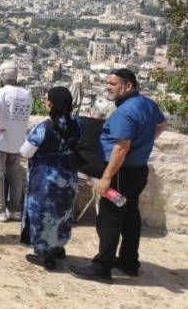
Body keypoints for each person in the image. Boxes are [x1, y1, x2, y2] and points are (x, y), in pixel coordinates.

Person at [70, 69, 168, 283]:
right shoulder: (148, 105)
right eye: (107, 83)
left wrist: (106, 179)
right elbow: (162, 125)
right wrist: (143, 144)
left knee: (109, 219)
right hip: (138, 170)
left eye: (113, 84)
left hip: (120, 172)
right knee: (131, 217)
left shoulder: (125, 112)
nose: (108, 87)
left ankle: (102, 267)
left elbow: (121, 148)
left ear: (128, 86)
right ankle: (129, 262)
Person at [20, 86, 81, 271]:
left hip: (46, 180)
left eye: (48, 100)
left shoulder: (44, 127)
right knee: (63, 213)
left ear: (52, 104)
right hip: (69, 178)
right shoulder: (77, 124)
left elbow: (25, 152)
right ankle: (59, 246)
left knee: (43, 216)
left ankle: (45, 254)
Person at [0, 61, 32, 222]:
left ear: (2, 76)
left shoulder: (1, 93)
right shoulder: (27, 94)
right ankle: (15, 210)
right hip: (18, 141)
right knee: (15, 176)